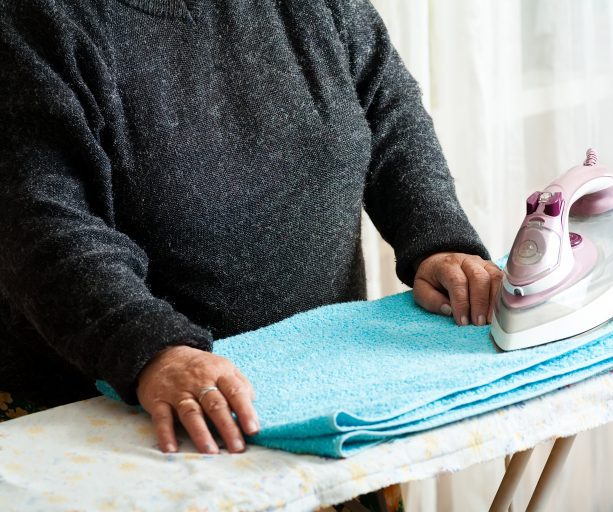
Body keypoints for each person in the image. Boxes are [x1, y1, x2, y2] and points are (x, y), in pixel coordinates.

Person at [0, 0, 502, 453]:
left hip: (328, 398)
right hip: (127, 406)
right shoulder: (33, 20)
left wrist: (436, 239)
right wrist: (153, 349)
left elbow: (391, 120)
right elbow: (43, 222)